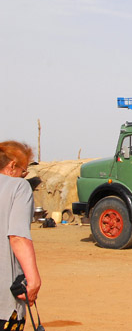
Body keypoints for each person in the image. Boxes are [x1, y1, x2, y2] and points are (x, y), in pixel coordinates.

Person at [0, 141, 41, 329]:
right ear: (12, 166)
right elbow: (17, 237)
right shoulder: (18, 187)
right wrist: (33, 280)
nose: (23, 176)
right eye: (24, 171)